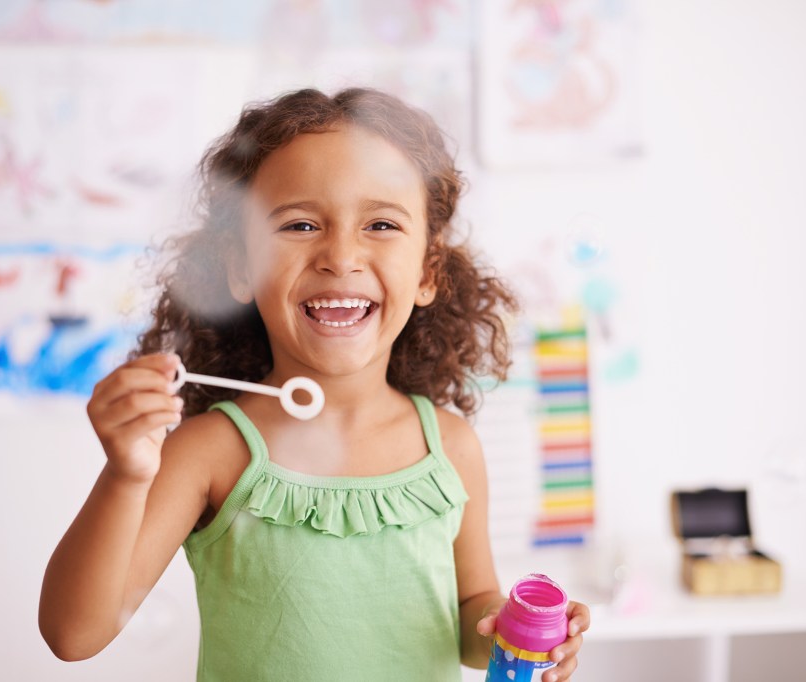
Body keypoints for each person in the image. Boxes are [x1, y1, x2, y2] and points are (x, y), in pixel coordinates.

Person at [39, 87, 590, 681]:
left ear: (428, 271)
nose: (341, 255)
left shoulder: (451, 448)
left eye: (380, 223)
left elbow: (467, 616)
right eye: (301, 224)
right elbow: (74, 634)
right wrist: (126, 474)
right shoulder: (210, 452)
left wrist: (518, 633)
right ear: (242, 268)